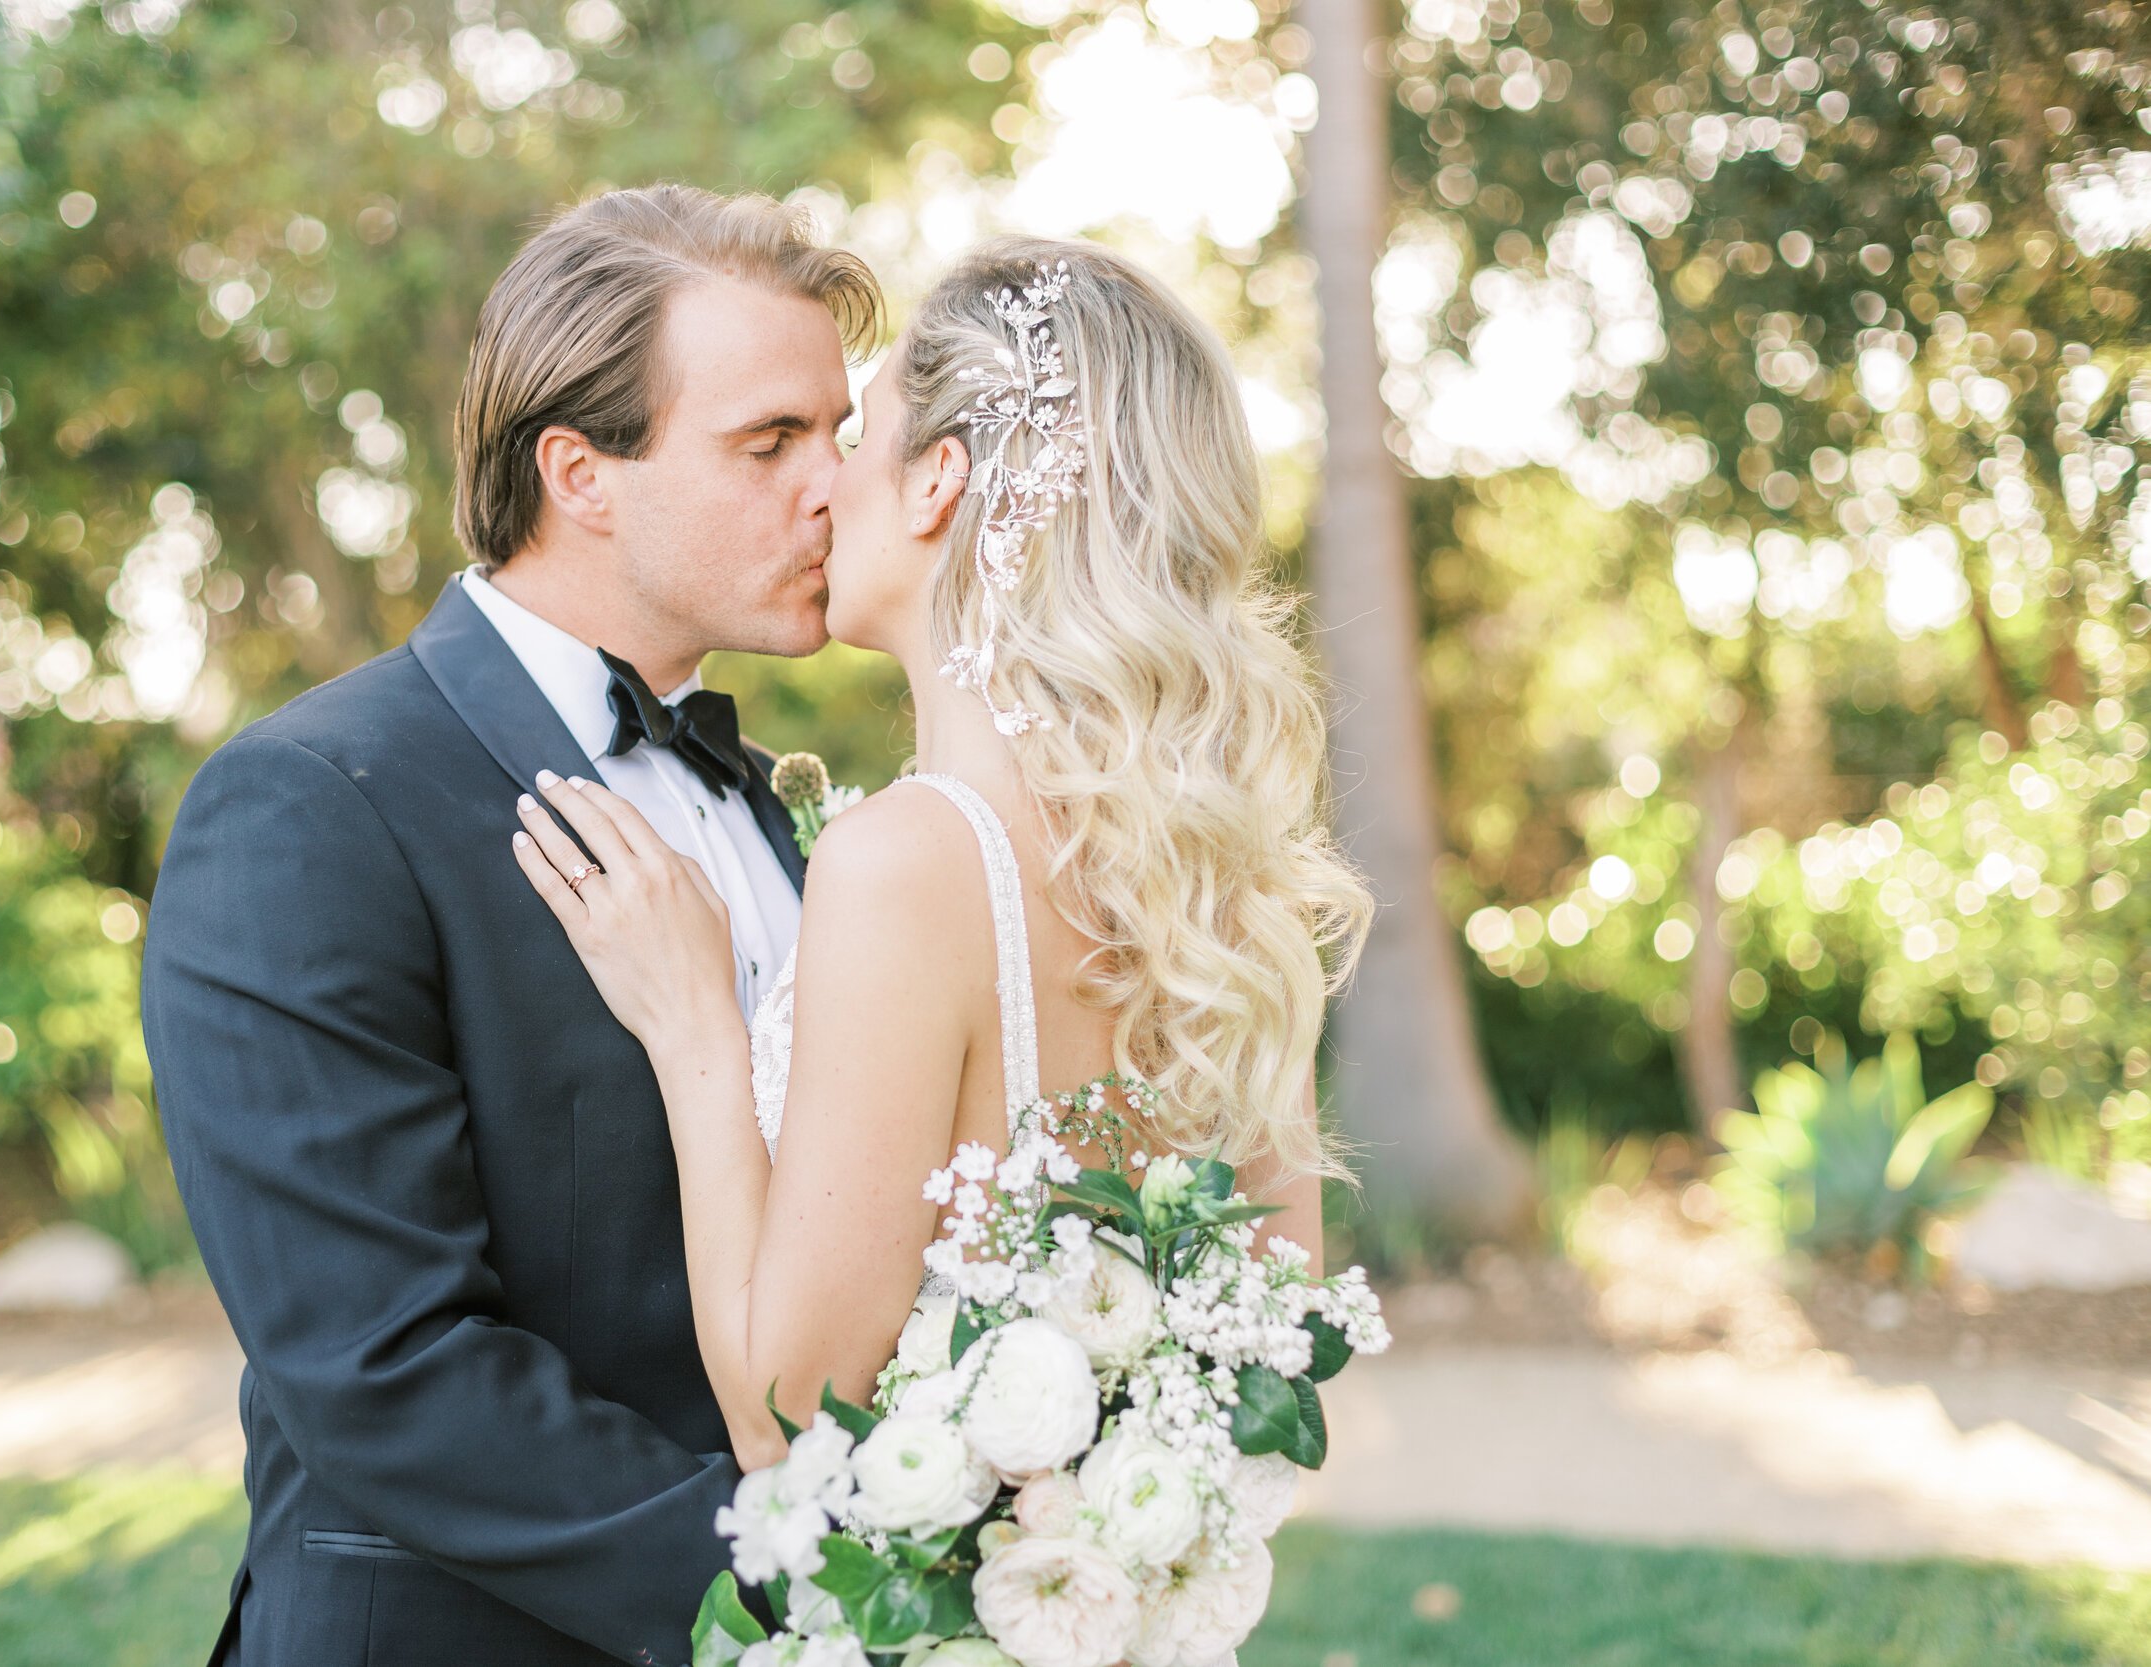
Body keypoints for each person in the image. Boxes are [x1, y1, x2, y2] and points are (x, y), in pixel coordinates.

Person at [140, 184, 876, 1667]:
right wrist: (808, 1595)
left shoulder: (769, 812)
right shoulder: (309, 804)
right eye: (770, 442)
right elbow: (383, 1365)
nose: (833, 490)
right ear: (580, 471)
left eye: (841, 438)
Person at [509, 237, 1372, 1471]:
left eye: (855, 438)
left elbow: (785, 1413)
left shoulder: (905, 861)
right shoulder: (1224, 888)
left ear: (935, 485)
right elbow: (1267, 1363)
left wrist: (695, 1027)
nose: (821, 485)